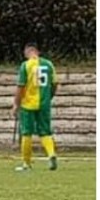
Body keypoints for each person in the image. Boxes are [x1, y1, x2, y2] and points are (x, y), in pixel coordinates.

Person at [13, 43, 59, 172]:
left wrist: (16, 104)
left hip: (28, 103)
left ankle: (26, 164)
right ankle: (51, 154)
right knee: (45, 131)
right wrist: (49, 96)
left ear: (29, 51)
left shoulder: (26, 65)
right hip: (44, 103)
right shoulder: (49, 64)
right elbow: (55, 83)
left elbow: (20, 86)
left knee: (26, 132)